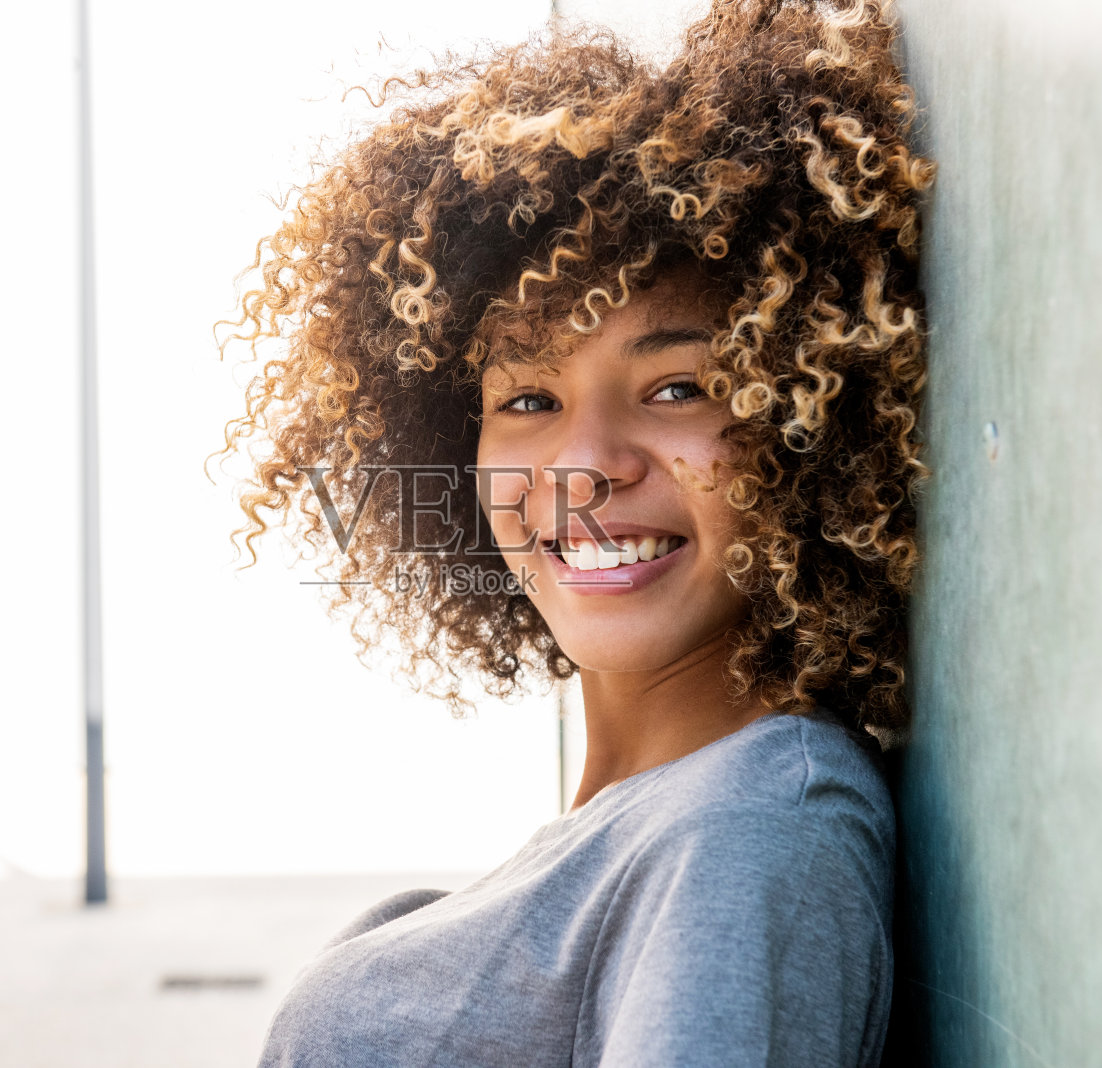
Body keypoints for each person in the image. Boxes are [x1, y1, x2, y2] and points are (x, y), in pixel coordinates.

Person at [218, 0, 935, 1063]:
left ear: (806, 424)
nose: (586, 463)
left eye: (678, 386)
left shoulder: (744, 830)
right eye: (526, 399)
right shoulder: (658, 820)